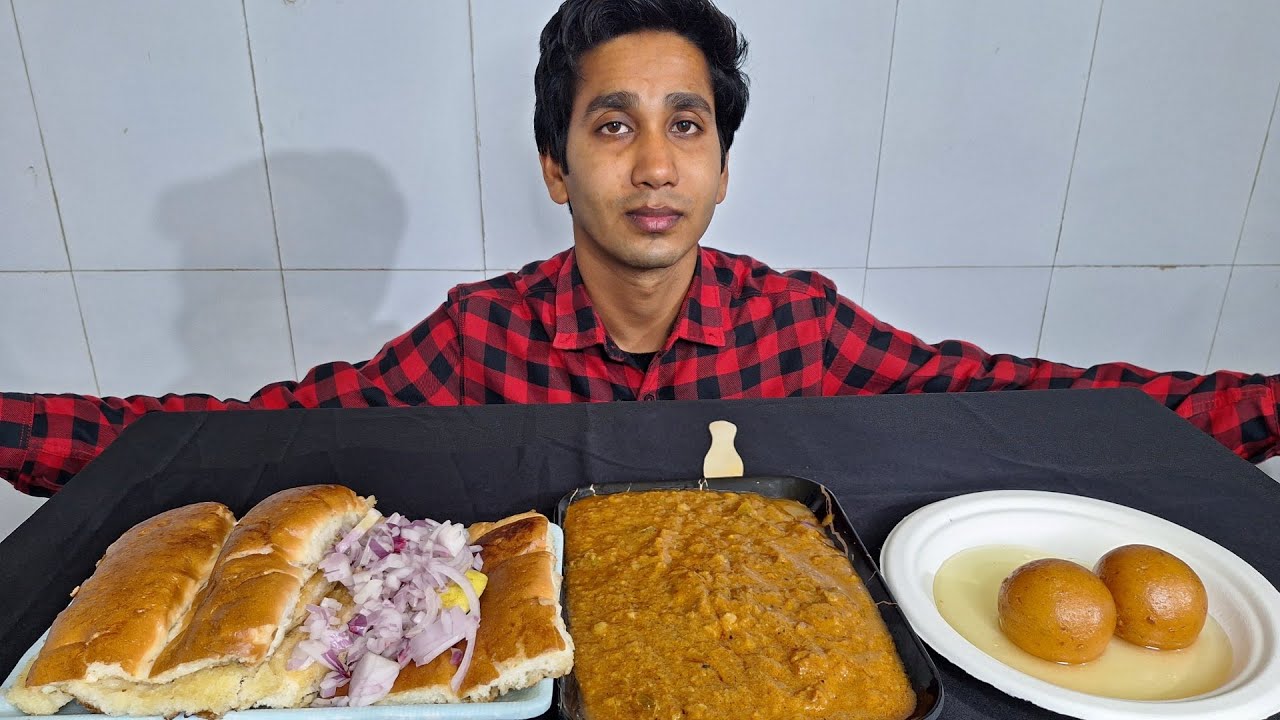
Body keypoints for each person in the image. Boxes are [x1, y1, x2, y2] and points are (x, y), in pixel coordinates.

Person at [2, 0, 1276, 497]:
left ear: (721, 167)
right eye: (612, 126)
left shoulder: (797, 324)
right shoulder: (478, 337)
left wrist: (1259, 408)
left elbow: (1016, 403)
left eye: (687, 126)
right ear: (556, 167)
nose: (654, 165)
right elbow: (257, 441)